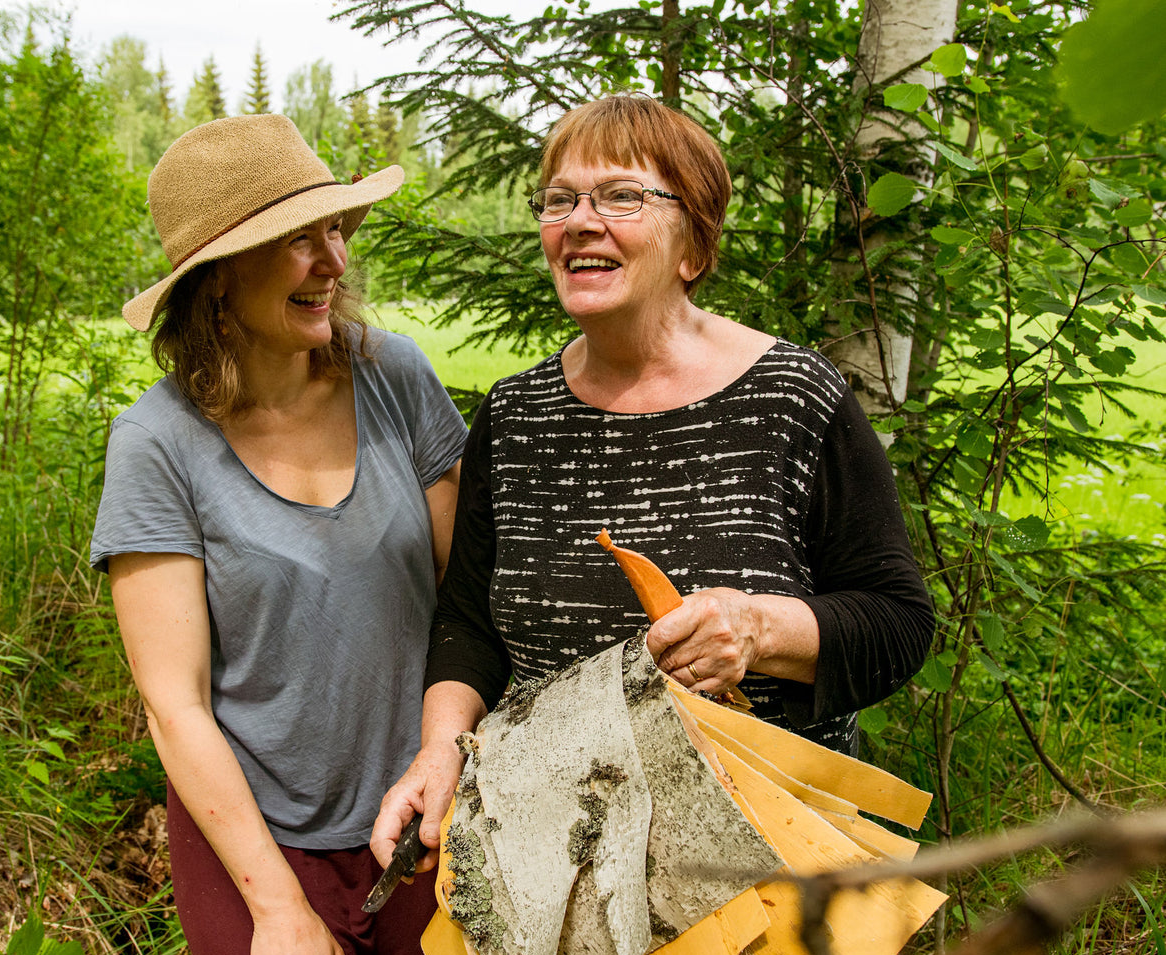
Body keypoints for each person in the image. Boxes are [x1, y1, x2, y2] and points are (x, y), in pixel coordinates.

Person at [371, 94, 933, 877]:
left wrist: (759, 629)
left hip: (760, 863)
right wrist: (439, 750)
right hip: (554, 858)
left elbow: (898, 624)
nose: (578, 220)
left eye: (622, 196)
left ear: (692, 247)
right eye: (559, 199)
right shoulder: (515, 414)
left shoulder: (792, 399)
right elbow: (468, 624)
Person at [90, 115, 468, 955]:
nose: (332, 261)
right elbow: (174, 702)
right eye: (297, 240)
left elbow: (471, 598)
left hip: (420, 809)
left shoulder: (394, 376)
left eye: (332, 229)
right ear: (217, 279)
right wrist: (278, 908)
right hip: (251, 834)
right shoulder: (158, 445)